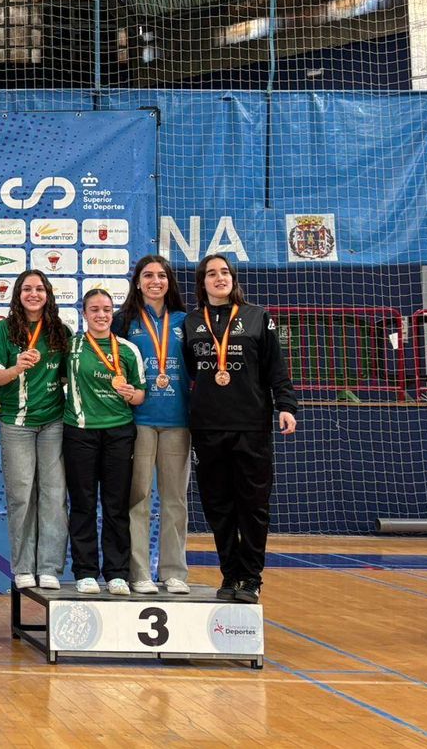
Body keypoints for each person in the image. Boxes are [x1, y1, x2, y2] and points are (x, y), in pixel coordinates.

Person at [182, 254, 298, 604]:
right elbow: (192, 371)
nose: (220, 278)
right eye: (212, 274)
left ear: (233, 278)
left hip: (250, 426)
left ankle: (251, 577)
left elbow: (275, 367)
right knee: (218, 506)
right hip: (207, 427)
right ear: (202, 283)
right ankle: (230, 573)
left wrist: (286, 406)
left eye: (225, 272)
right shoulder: (190, 323)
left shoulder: (257, 317)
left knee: (252, 506)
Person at [0, 270, 71, 591]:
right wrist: (17, 367)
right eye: (27, 289)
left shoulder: (61, 331)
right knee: (21, 497)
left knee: (54, 496)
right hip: (16, 424)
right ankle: (23, 567)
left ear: (48, 294)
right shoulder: (4, 331)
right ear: (17, 294)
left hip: (53, 424)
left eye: (39, 289)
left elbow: (65, 380)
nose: (33, 294)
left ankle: (49, 567)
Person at [113, 255, 192, 595]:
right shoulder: (123, 321)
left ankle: (174, 571)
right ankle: (140, 572)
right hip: (139, 422)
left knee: (175, 499)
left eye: (161, 275)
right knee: (139, 498)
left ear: (169, 282)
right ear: (137, 282)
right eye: (148, 275)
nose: (155, 281)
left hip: (178, 422)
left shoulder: (187, 321)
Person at [63, 288, 146, 595]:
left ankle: (117, 573)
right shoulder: (70, 347)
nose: (101, 315)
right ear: (84, 314)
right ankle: (85, 571)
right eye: (94, 309)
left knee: (115, 504)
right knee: (83, 503)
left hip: (119, 433)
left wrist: (131, 395)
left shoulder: (126, 349)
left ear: (113, 314)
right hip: (80, 432)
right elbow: (58, 380)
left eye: (107, 310)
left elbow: (140, 394)